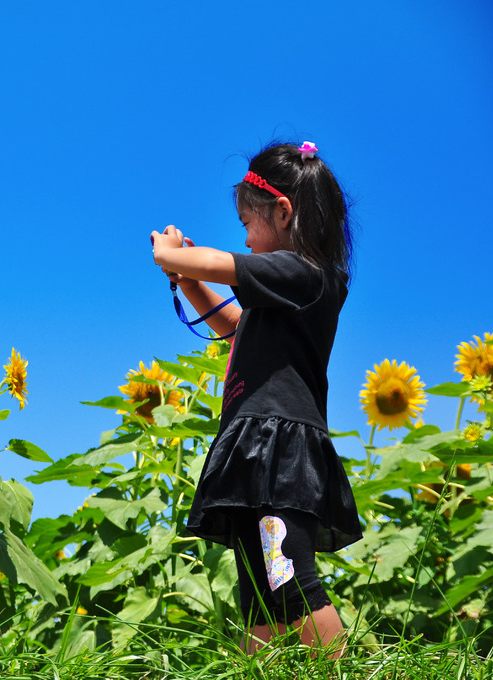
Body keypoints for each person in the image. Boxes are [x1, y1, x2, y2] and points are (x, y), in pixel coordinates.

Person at [150, 141, 361, 657]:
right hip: (256, 440)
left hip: (280, 444)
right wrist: (190, 278)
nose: (244, 235)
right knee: (258, 588)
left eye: (247, 223)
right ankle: (262, 668)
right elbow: (235, 326)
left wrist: (170, 252)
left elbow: (221, 263)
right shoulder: (283, 292)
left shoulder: (306, 273)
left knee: (287, 574)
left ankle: (340, 670)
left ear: (283, 212)